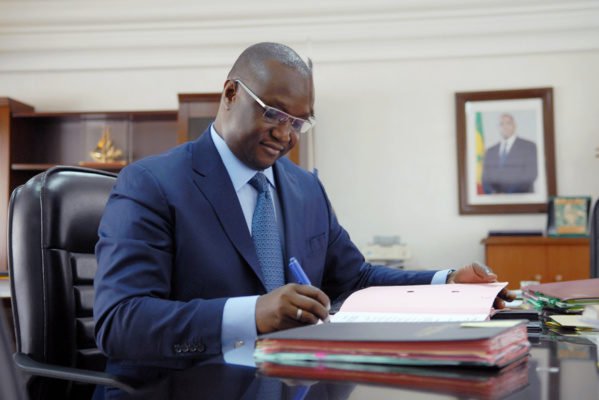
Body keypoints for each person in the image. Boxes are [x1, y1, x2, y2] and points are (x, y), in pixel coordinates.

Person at [93, 43, 513, 376]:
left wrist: (447, 282)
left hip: (288, 380)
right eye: (274, 113)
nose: (285, 134)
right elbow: (120, 322)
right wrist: (252, 314)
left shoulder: (305, 188)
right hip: (182, 386)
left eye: (298, 122)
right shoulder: (151, 184)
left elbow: (355, 279)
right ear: (230, 94)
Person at [481, 113, 538, 194]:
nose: (505, 127)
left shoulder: (529, 146)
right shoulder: (490, 151)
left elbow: (530, 175)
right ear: (497, 127)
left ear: (514, 125)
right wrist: (493, 193)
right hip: (495, 199)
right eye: (501, 124)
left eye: (508, 123)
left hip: (521, 198)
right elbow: (485, 179)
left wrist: (507, 195)